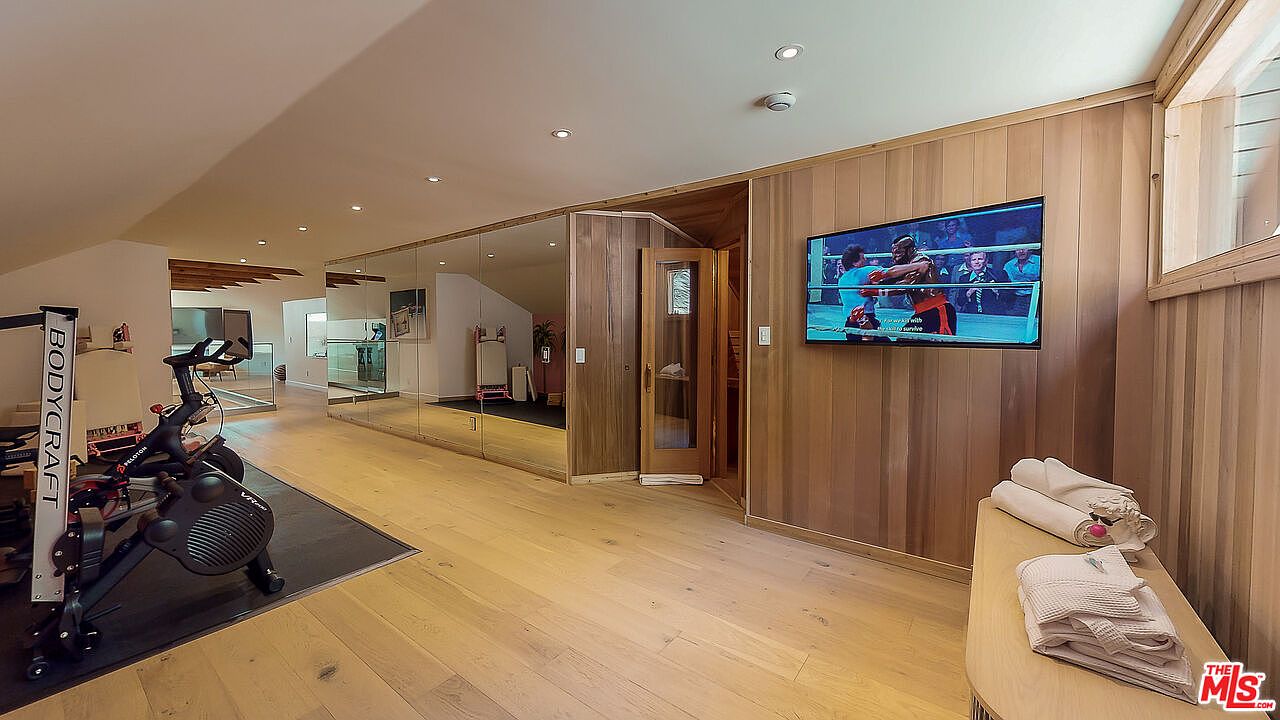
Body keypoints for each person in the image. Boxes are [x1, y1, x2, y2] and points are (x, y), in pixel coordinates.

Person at [860, 234, 958, 336]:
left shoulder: (921, 260)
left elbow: (906, 285)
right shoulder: (906, 264)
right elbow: (894, 280)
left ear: (910, 250)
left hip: (937, 310)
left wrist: (877, 291)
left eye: (898, 253)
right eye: (893, 253)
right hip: (923, 311)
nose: (895, 257)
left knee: (938, 346)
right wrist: (878, 284)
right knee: (905, 340)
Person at [836, 245, 881, 341]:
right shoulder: (862, 272)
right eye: (862, 258)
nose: (865, 259)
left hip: (850, 322)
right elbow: (889, 272)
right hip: (865, 318)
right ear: (855, 263)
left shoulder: (842, 279)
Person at [1003, 247, 1041, 316]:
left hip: (1037, 298)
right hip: (1016, 299)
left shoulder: (1039, 261)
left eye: (1024, 248)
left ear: (1030, 249)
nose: (1021, 251)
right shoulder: (1009, 265)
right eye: (1018, 249)